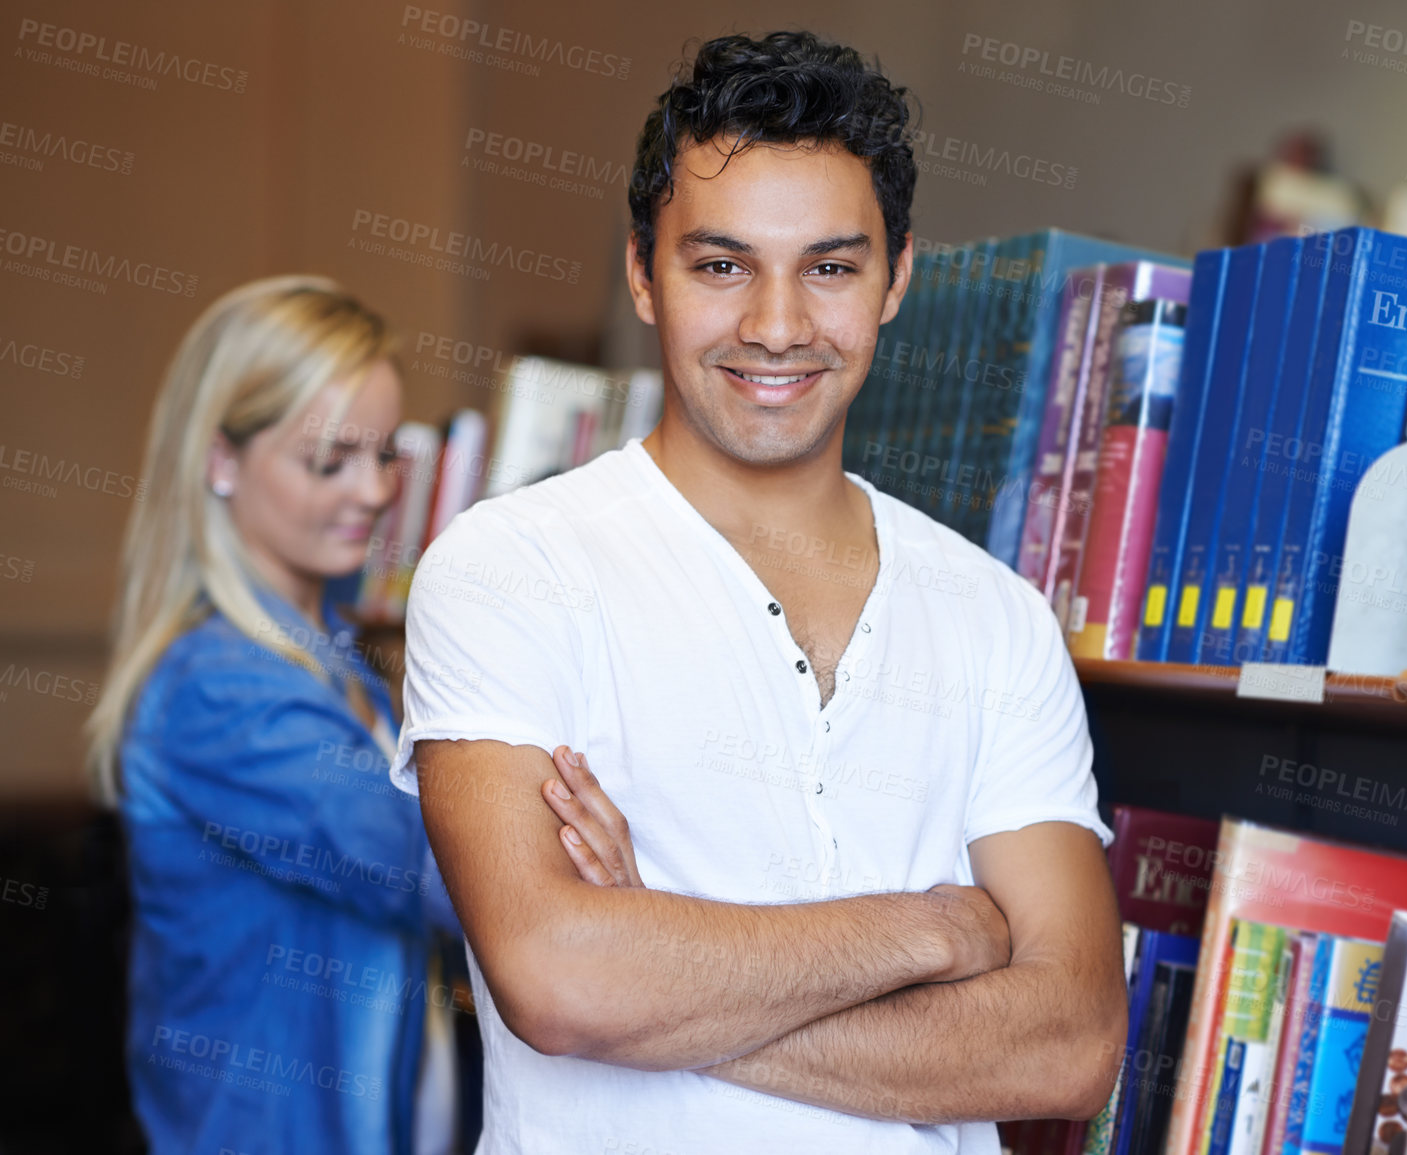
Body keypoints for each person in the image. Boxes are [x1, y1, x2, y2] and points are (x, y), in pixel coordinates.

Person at [389, 30, 1126, 1153]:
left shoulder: (997, 615)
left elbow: (1068, 1048)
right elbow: (558, 985)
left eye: (830, 268)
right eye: (721, 265)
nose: (777, 326)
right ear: (644, 272)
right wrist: (934, 929)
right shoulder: (507, 571)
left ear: (897, 280)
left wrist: (660, 962)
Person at [87, 276, 461, 1155]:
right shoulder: (220, 687)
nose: (372, 493)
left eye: (386, 455)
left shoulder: (328, 651)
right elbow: (444, 873)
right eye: (330, 460)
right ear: (220, 460)